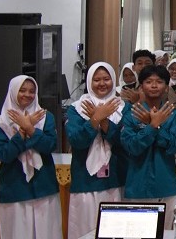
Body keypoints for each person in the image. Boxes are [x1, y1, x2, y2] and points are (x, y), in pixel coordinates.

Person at [0, 75, 62, 238]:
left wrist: (31, 129)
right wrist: (22, 132)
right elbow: (5, 155)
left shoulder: (45, 117)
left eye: (32, 91)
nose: (27, 95)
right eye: (22, 90)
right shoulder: (0, 123)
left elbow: (50, 146)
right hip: (14, 189)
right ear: (13, 92)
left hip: (44, 187)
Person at [66, 62, 125, 239]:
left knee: (115, 231)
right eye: (96, 80)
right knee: (84, 232)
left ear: (113, 80)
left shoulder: (123, 107)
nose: (102, 83)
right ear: (89, 82)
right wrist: (94, 120)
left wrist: (104, 121)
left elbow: (123, 142)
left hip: (115, 180)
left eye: (106, 79)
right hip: (85, 181)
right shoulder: (77, 108)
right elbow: (76, 141)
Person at [121, 65, 176, 229]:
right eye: (149, 82)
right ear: (141, 87)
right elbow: (131, 147)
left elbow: (175, 146)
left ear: (166, 87)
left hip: (165, 184)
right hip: (138, 185)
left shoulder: (172, 114)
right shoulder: (131, 114)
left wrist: (155, 126)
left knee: (166, 233)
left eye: (159, 82)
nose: (154, 85)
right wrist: (152, 127)